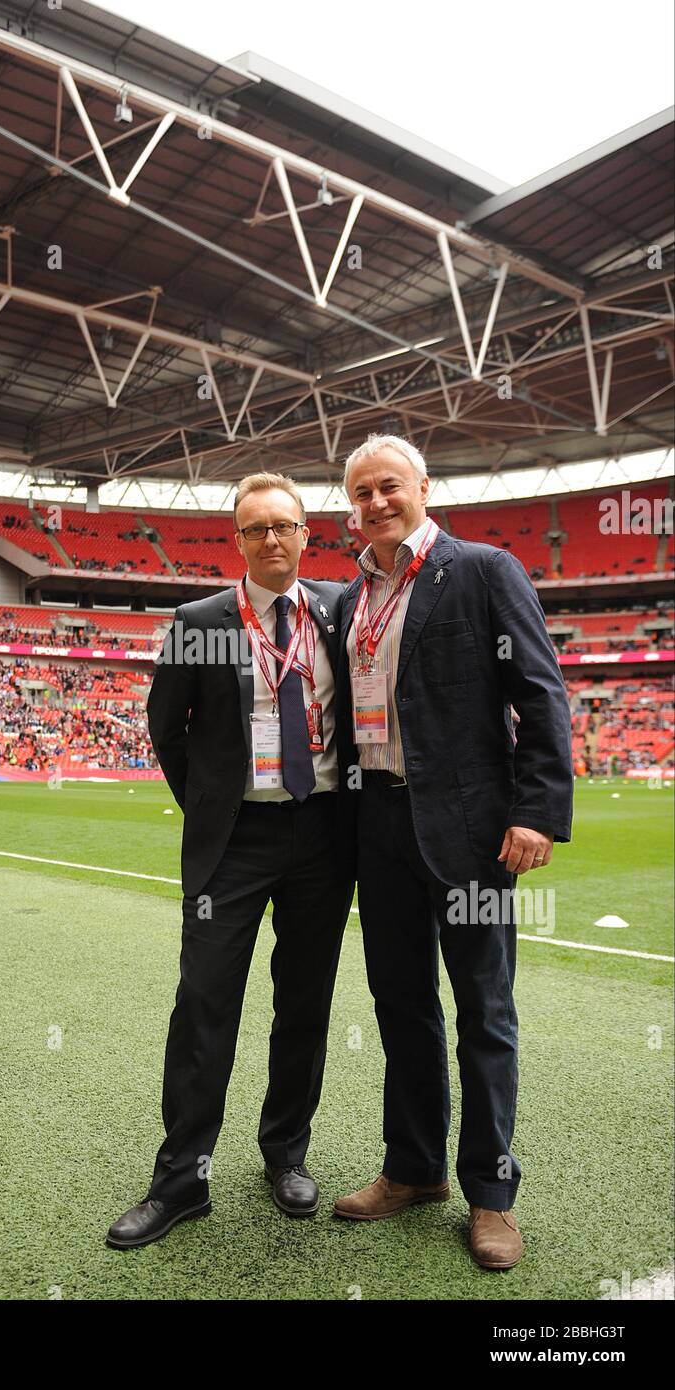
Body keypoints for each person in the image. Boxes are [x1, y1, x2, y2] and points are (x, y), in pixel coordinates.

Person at [332, 435, 573, 1270]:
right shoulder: (349, 597)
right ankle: (414, 1168)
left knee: (484, 1014)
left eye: (387, 486)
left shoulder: (481, 570)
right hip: (379, 829)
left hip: (470, 833)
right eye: (359, 493)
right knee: (401, 1007)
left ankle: (492, 1195)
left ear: (423, 486)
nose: (374, 504)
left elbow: (540, 690)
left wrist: (536, 809)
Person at [107, 472, 355, 1249]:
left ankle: (286, 1154)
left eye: (284, 526)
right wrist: (211, 805)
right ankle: (182, 1179)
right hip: (234, 842)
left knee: (304, 1003)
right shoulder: (200, 620)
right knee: (204, 1005)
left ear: (305, 534)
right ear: (237, 540)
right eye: (256, 530)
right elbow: (165, 728)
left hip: (322, 834)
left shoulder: (340, 612)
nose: (271, 539)